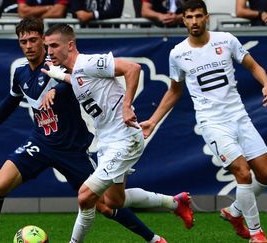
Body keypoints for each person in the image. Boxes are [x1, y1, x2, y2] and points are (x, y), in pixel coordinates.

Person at [0, 16, 171, 243]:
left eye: (34, 40)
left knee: (105, 205)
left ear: (42, 40)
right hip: (41, 142)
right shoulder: (21, 73)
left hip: (72, 148)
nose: (28, 46)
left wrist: (59, 90)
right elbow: (10, 102)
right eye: (23, 42)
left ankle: (153, 238)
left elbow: (80, 79)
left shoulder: (60, 64)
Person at [40, 23, 194, 243]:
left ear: (70, 45)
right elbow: (79, 80)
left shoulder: (89, 62)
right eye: (48, 47)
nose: (50, 51)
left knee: (85, 197)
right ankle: (175, 203)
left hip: (125, 139)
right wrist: (60, 78)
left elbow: (133, 68)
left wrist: (127, 105)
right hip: (108, 142)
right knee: (114, 201)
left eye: (54, 45)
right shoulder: (76, 73)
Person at [140, 0, 267, 242]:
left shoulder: (226, 40)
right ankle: (257, 233)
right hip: (212, 123)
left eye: (198, 16)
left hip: (239, 117)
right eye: (189, 17)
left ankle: (234, 212)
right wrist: (152, 120)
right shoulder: (178, 53)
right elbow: (174, 90)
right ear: (183, 19)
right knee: (243, 173)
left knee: (266, 175)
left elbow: (254, 66)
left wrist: (265, 83)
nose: (194, 21)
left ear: (206, 17)